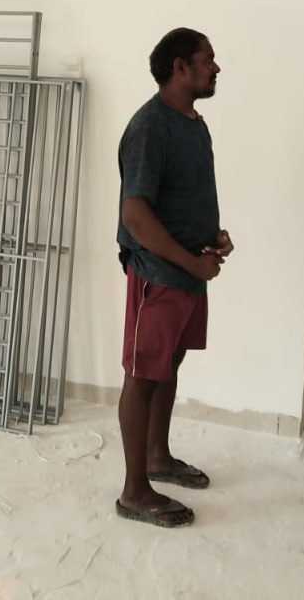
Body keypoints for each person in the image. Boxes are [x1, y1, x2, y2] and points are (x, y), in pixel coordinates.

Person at [114, 27, 234, 528]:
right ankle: (134, 492)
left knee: (167, 366)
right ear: (180, 67)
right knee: (143, 375)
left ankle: (158, 458)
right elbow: (136, 216)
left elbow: (183, 196)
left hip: (187, 271)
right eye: (208, 59)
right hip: (159, 275)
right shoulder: (150, 127)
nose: (216, 67)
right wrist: (189, 261)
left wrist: (213, 236)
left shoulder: (193, 124)